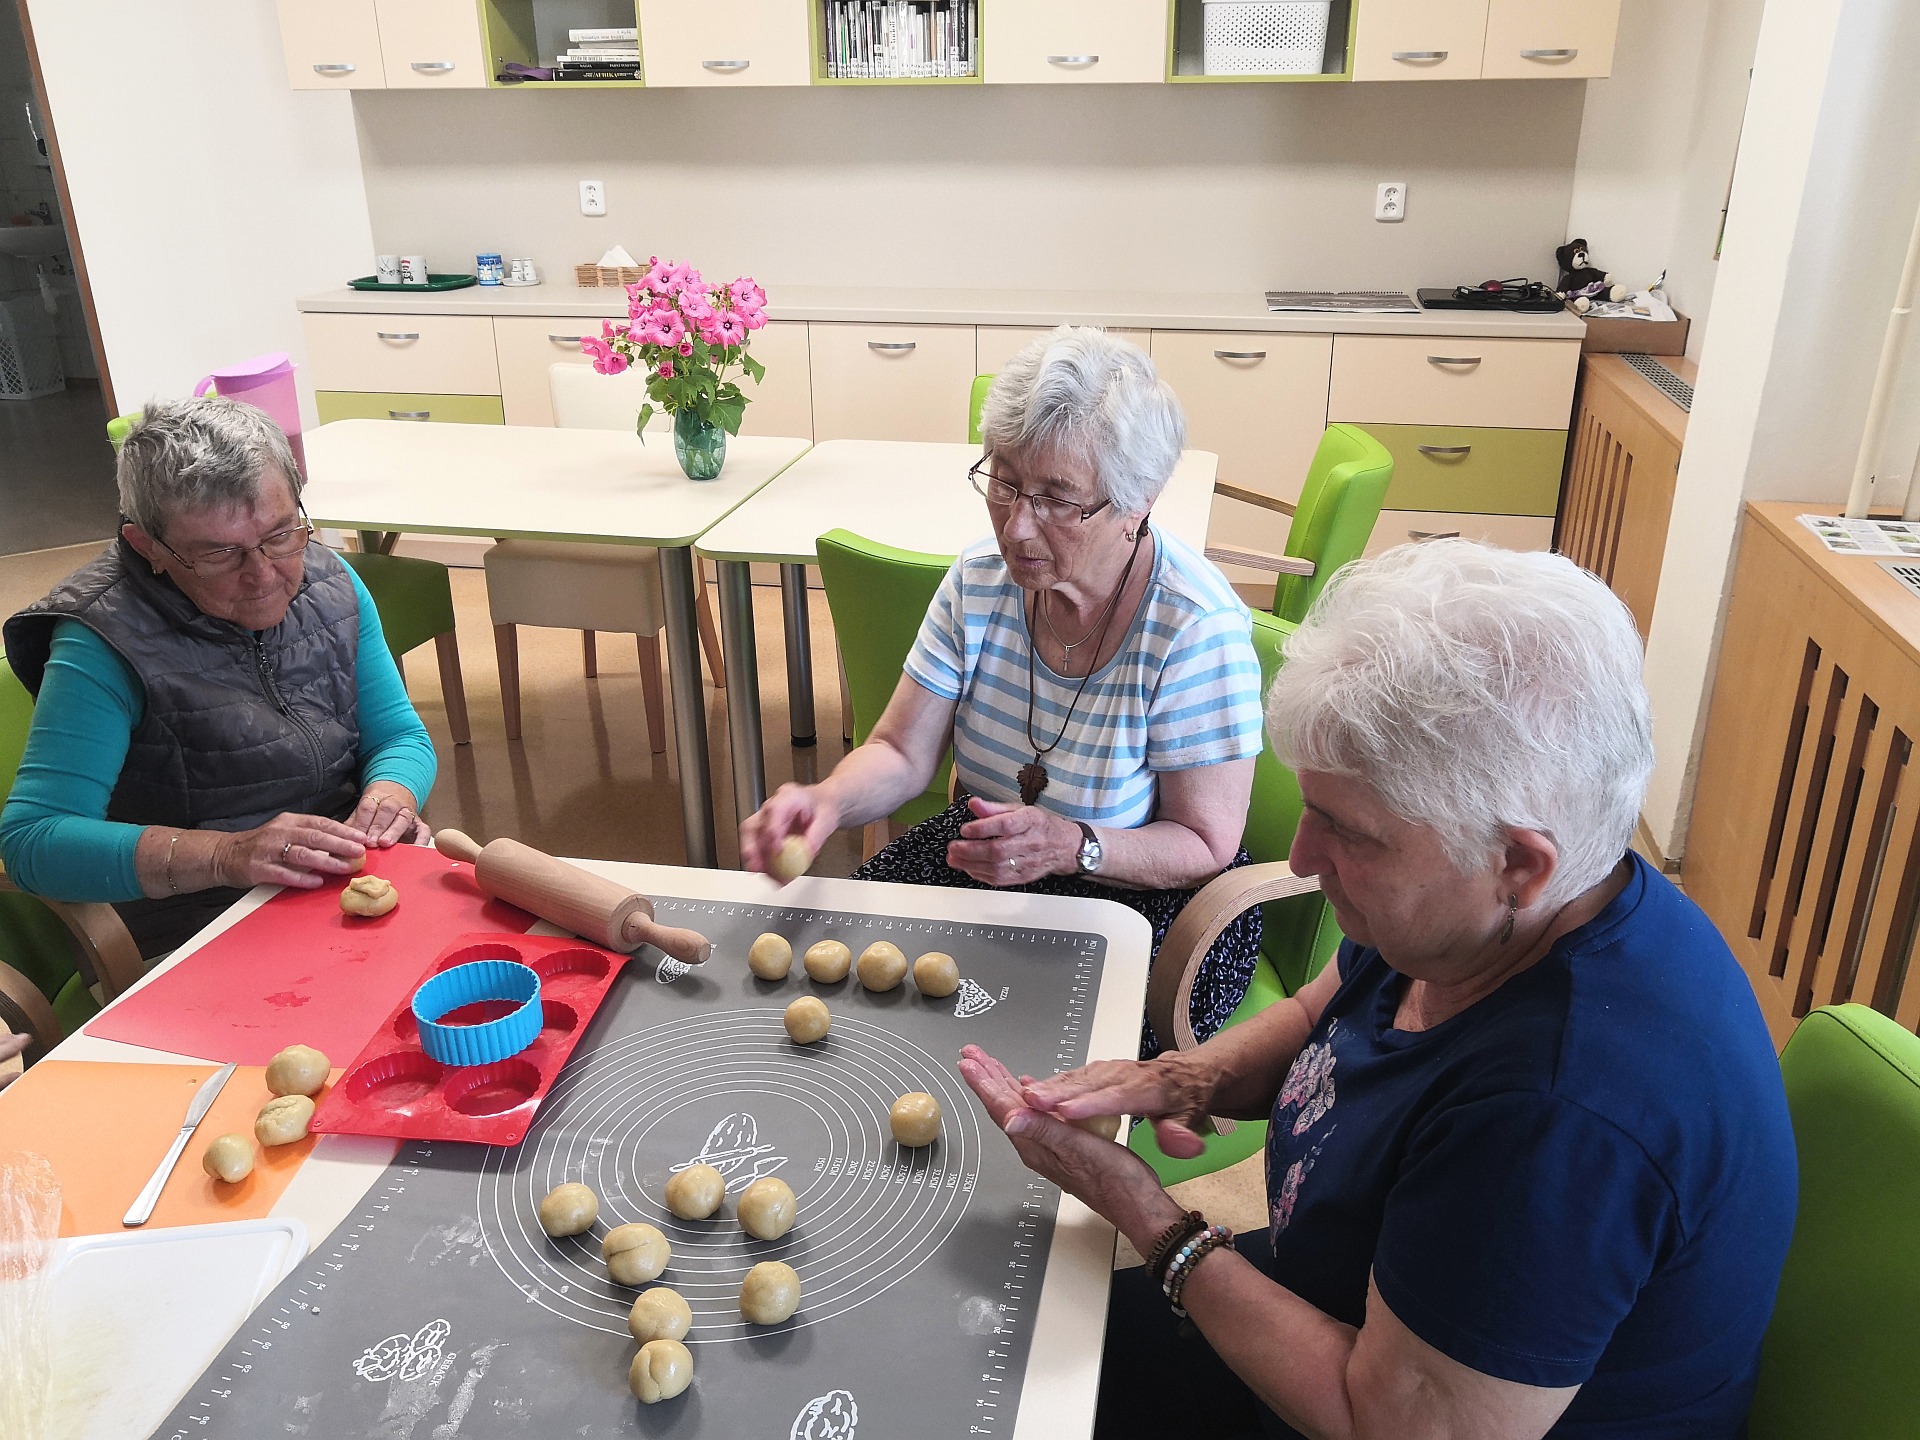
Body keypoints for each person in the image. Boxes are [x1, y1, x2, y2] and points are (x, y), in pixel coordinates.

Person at [959, 541, 1799, 1440]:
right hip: (1343, 1302)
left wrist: (1146, 1213)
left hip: (1381, 1402)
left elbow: (1392, 1423)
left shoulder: (1562, 1117)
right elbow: (1318, 1010)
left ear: (1518, 862)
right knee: (995, 1352)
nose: (1302, 860)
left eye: (1348, 832)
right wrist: (1184, 1078)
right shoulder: (1488, 913)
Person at [740, 327, 1264, 1055]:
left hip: (1144, 893)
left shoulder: (1194, 628)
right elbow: (901, 750)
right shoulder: (979, 582)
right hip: (995, 859)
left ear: (1137, 502)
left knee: (1048, 1068)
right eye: (1005, 484)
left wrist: (1071, 845)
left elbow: (1205, 841)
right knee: (855, 1001)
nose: (1016, 527)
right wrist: (828, 800)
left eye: (1057, 500)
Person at [1, 396, 438, 959]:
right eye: (219, 554)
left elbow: (399, 735)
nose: (263, 575)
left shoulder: (332, 581)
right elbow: (35, 840)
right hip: (196, 925)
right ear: (147, 546)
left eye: (280, 534)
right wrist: (226, 855)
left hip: (336, 884)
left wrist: (390, 796)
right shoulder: (101, 642)